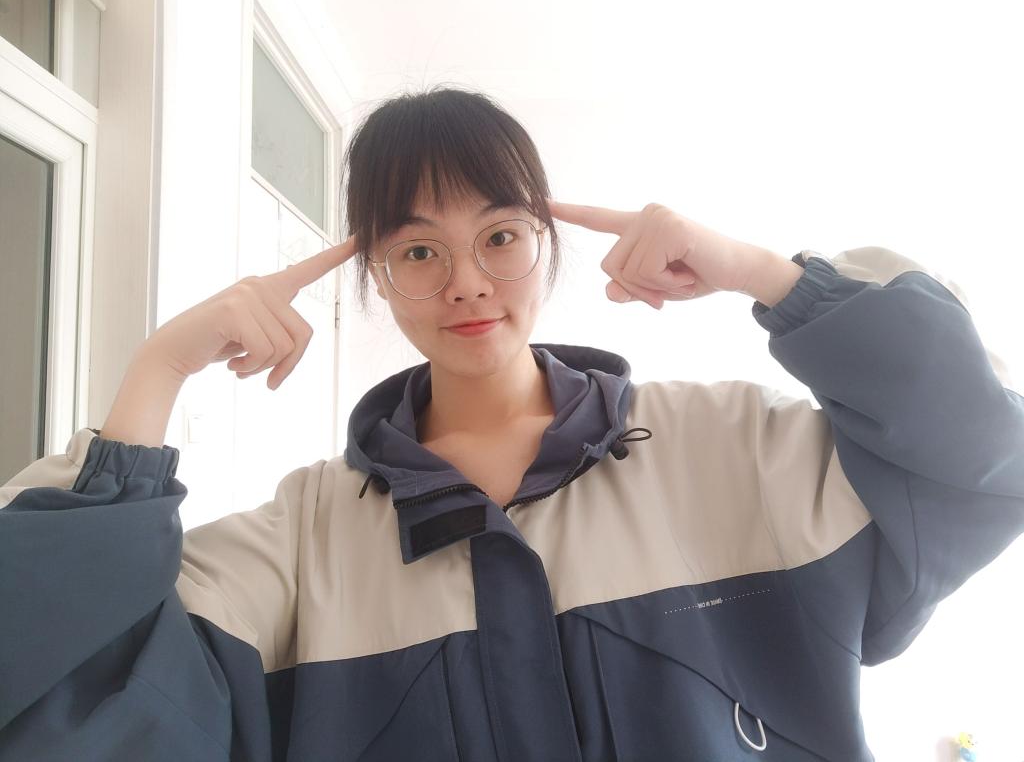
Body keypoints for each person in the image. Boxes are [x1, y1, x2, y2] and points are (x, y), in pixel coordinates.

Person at [1, 86, 1022, 762]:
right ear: (375, 275)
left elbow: (979, 454)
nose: (467, 282)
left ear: (548, 240)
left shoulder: (732, 447)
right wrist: (158, 371)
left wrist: (764, 273)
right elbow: (56, 691)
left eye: (499, 235)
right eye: (418, 251)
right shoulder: (303, 539)